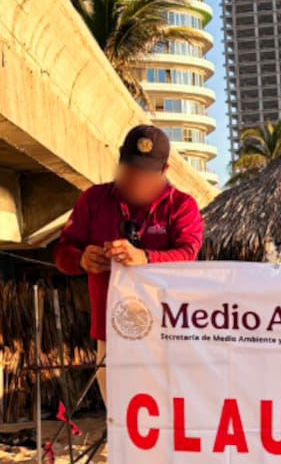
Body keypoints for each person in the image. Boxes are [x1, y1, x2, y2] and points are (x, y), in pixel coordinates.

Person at [55, 125, 204, 402]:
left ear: (165, 170)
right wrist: (82, 260)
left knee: (168, 420)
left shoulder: (182, 206)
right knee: (119, 423)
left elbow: (189, 254)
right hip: (111, 334)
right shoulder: (93, 200)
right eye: (130, 171)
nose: (136, 181)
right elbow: (62, 255)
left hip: (166, 336)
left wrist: (145, 258)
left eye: (146, 174)